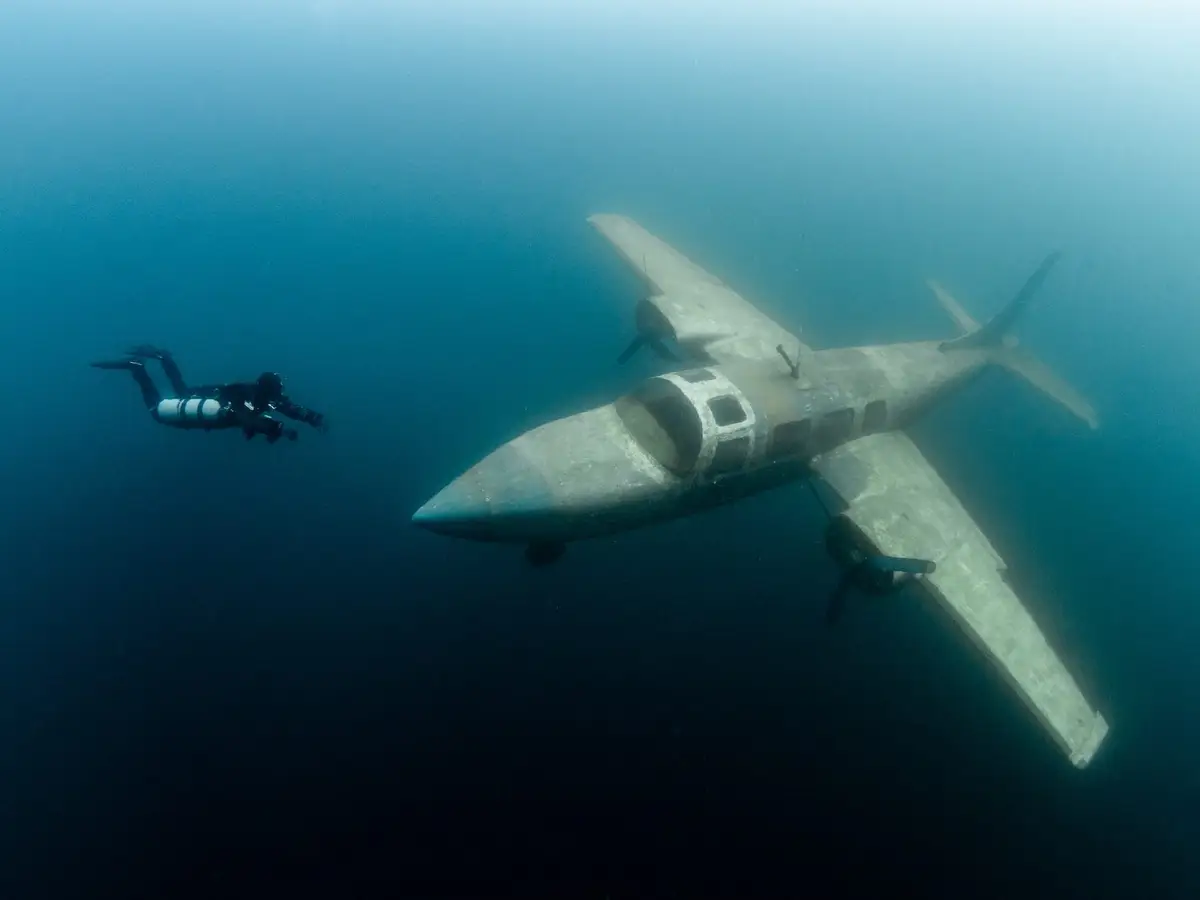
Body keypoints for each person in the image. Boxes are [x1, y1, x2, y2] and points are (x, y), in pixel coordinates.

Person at [91, 345, 328, 444]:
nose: (281, 395)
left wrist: (312, 418)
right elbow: (246, 419)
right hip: (208, 399)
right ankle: (139, 367)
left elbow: (286, 407)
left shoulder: (262, 394)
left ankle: (161, 358)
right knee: (160, 408)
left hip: (209, 394)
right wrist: (279, 430)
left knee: (182, 388)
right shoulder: (245, 398)